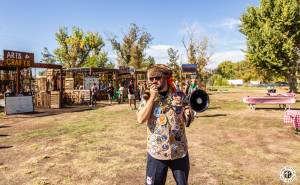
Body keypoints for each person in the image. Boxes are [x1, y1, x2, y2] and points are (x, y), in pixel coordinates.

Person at [136, 64, 194, 185]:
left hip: (179, 151)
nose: (154, 81)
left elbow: (189, 118)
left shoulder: (179, 95)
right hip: (157, 152)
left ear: (165, 77)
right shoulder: (146, 98)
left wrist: (187, 114)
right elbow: (140, 119)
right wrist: (152, 98)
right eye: (151, 79)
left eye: (157, 77)